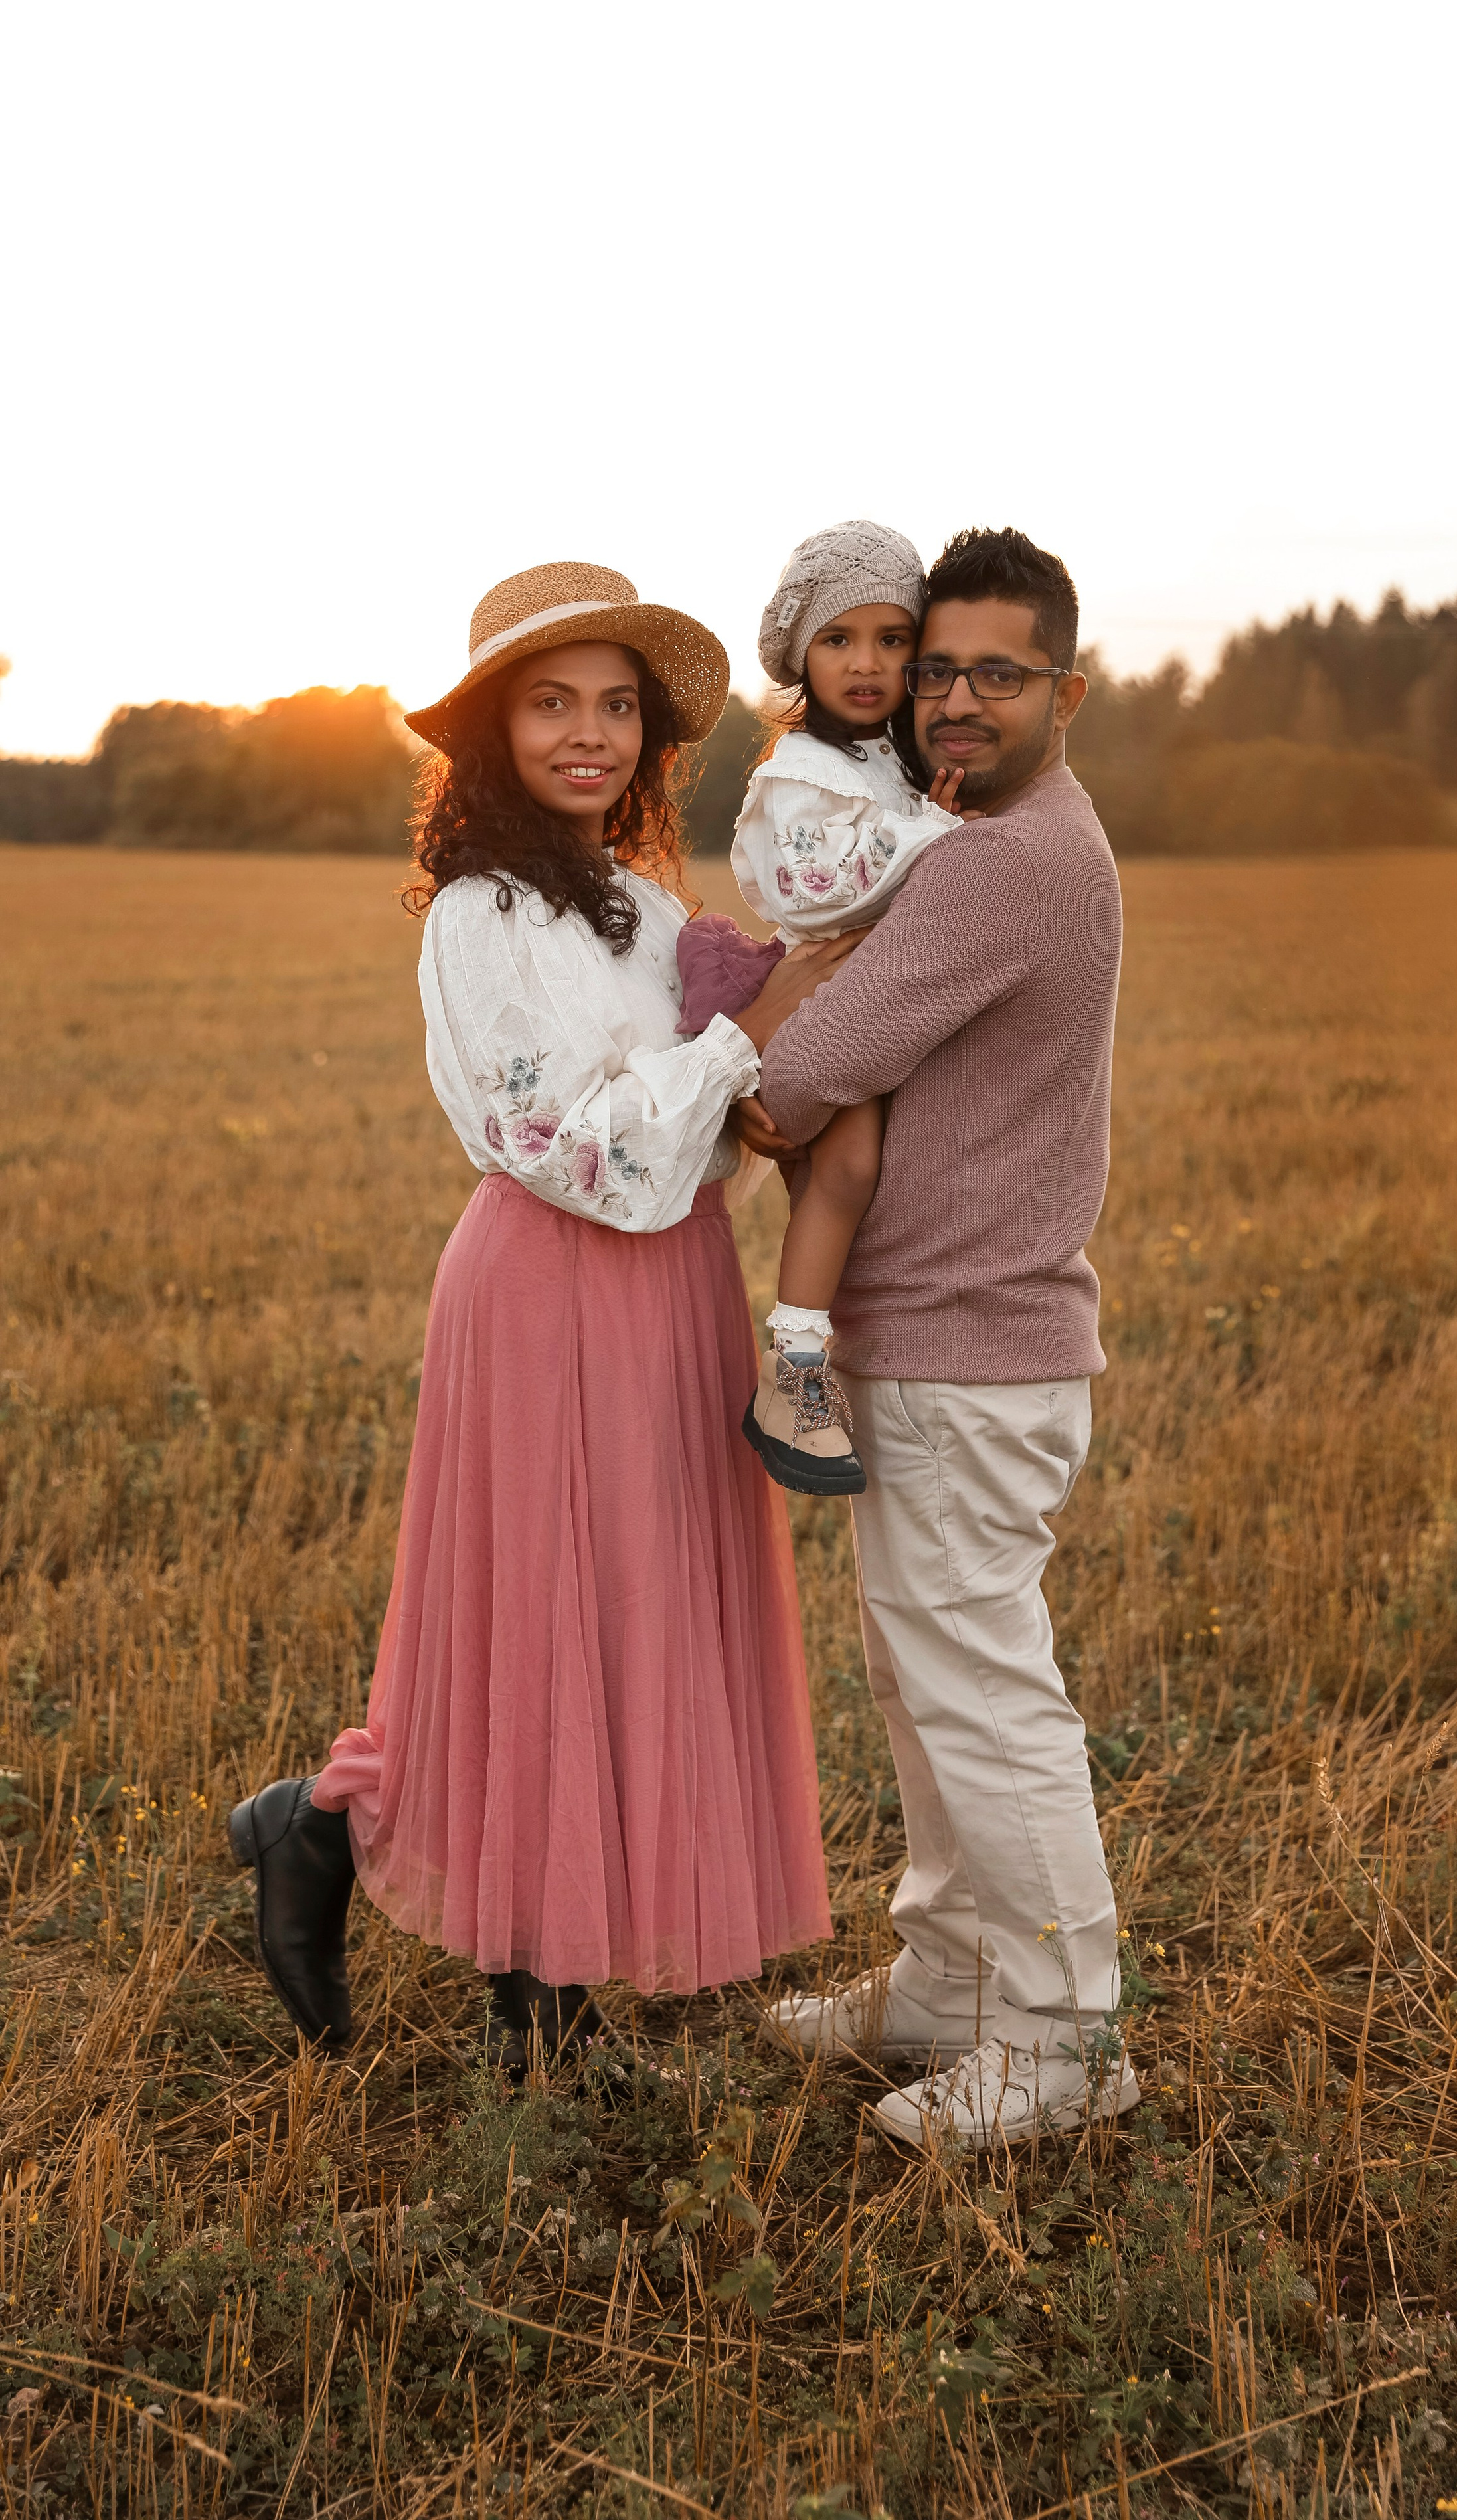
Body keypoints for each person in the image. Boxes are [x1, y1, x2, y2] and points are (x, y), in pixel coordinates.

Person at [228, 561, 843, 2064]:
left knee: (631, 1620)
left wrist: (762, 1058)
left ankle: (417, 1896)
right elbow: (564, 1149)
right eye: (551, 704)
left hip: (675, 1285)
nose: (589, 735)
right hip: (547, 1288)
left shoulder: (648, 906)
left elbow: (696, 1136)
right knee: (537, 1625)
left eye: (616, 707)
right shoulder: (480, 912)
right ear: (491, 732)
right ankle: (472, 1943)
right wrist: (737, 1046)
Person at [732, 527, 1135, 2150]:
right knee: (926, 1685)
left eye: (996, 675)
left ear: (1065, 691)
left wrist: (752, 1054)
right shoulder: (1019, 837)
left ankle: (1060, 2043)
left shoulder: (992, 865)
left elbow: (801, 1076)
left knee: (978, 1696)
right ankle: (950, 1982)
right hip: (953, 1340)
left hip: (964, 1351)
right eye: (936, 668)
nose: (953, 700)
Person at [673, 521, 964, 1498]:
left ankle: (839, 1346)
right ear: (800, 654)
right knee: (845, 1166)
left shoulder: (891, 762)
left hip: (878, 983)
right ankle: (794, 1367)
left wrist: (928, 818)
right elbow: (819, 885)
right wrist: (934, 832)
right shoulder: (801, 770)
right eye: (839, 640)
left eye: (892, 639)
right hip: (828, 987)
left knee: (876, 1174)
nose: (867, 663)